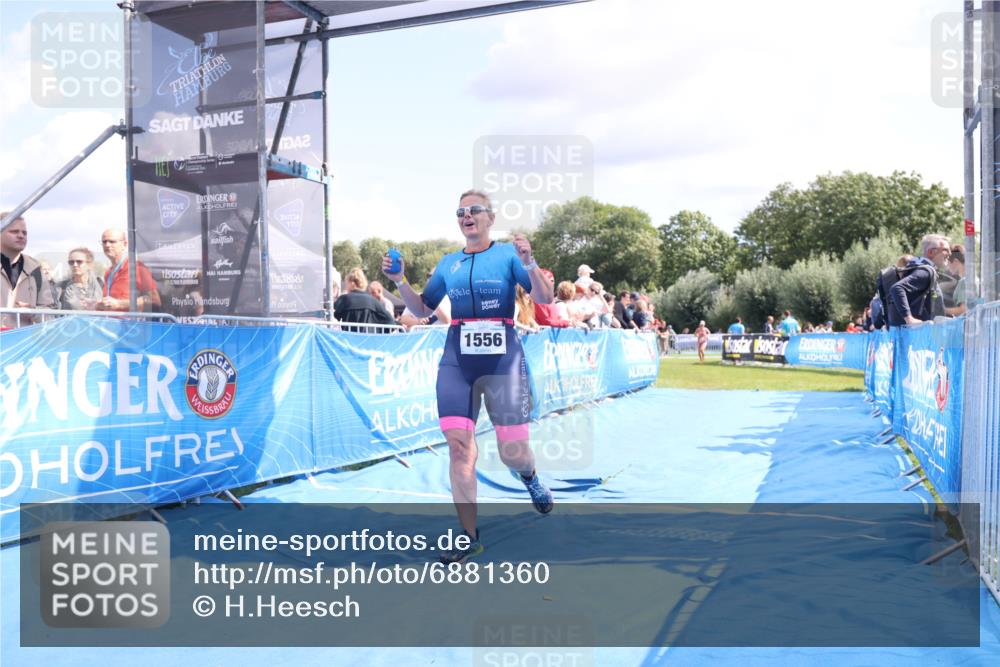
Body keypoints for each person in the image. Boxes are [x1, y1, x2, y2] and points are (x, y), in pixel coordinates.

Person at [382, 189, 555, 563]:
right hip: (458, 360)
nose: (467, 215)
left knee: (514, 452)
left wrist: (530, 263)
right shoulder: (448, 263)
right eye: (460, 211)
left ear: (490, 218)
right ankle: (468, 536)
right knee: (459, 447)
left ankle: (530, 479)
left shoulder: (509, 255)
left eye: (475, 210)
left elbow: (545, 300)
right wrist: (399, 281)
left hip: (502, 362)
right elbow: (423, 307)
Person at [1, 213, 55, 328]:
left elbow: (50, 314)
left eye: (24, 232)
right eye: (14, 231)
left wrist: (33, 313)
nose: (21, 236)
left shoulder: (35, 269)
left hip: (25, 342)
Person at [887, 234, 949, 327]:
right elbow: (897, 288)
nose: (950, 253)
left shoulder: (921, 269)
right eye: (945, 250)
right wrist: (909, 319)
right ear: (931, 252)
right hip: (918, 335)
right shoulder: (926, 272)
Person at [99, 228, 161, 312]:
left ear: (124, 244)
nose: (107, 245)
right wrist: (97, 305)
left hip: (130, 324)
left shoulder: (137, 268)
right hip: (110, 323)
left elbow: (155, 300)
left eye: (112, 241)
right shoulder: (108, 273)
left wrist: (119, 304)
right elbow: (110, 304)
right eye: (104, 241)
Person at [334, 267, 397, 331]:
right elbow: (390, 322)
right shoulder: (373, 301)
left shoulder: (344, 299)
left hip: (348, 339)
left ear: (350, 283)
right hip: (368, 339)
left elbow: (332, 317)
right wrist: (378, 332)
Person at [945, 248, 967, 317]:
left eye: (948, 263)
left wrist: (942, 309)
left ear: (955, 261)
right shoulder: (971, 279)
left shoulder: (963, 281)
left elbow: (963, 310)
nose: (947, 268)